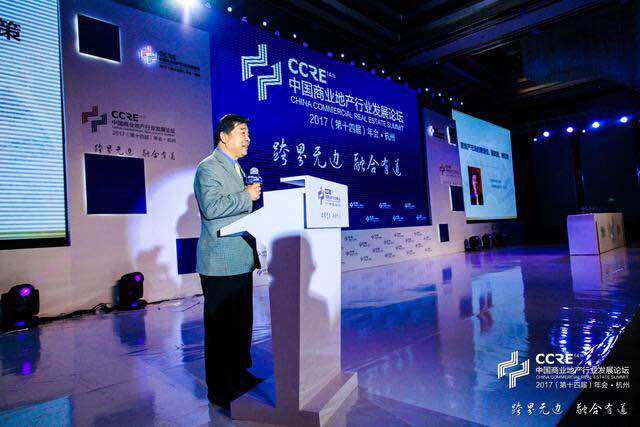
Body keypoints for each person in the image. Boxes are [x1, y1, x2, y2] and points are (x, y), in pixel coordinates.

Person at [193, 114, 262, 409]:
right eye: (242, 132)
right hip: (220, 262)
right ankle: (220, 390)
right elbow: (211, 207)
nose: (248, 138)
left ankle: (239, 376)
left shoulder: (237, 167)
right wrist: (246, 196)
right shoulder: (208, 167)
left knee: (240, 325)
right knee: (221, 330)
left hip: (240, 260)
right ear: (224, 136)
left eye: (248, 133)